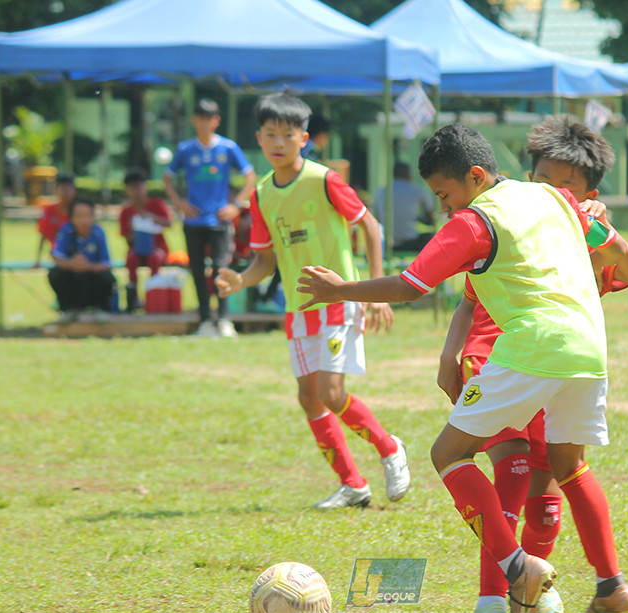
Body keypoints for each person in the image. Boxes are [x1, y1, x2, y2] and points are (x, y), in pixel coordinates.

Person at [298, 123, 628, 613]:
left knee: (448, 454)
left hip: (532, 348)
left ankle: (519, 570)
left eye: (445, 194)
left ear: (475, 176)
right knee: (570, 465)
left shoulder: (476, 221)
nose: (443, 208)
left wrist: (340, 288)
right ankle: (612, 587)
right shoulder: (550, 196)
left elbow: (411, 285)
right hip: (590, 348)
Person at [448, 115, 628, 613]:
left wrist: (605, 230)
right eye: (541, 181)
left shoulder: (586, 234)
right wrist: (452, 352)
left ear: (590, 194)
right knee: (510, 474)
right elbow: (470, 295)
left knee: (548, 501)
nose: (549, 194)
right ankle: (493, 601)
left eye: (565, 187)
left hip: (558, 368)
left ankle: (539, 590)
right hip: (501, 358)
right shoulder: (509, 218)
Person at [215, 93, 410, 509]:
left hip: (340, 301)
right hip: (298, 311)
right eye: (270, 135)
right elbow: (265, 261)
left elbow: (370, 227)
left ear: (304, 138)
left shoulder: (324, 180)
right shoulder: (262, 193)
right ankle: (353, 483)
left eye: (287, 134)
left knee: (331, 392)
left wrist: (375, 291)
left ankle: (389, 446)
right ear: (259, 139)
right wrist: (240, 281)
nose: (278, 142)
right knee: (308, 397)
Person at [164, 98, 256, 338]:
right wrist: (179, 202)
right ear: (194, 120)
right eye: (200, 119)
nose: (204, 124)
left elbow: (249, 175)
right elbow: (167, 177)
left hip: (220, 220)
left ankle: (224, 320)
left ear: (216, 121)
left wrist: (236, 205)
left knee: (221, 268)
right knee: (196, 270)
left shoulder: (228, 148)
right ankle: (205, 320)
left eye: (209, 119)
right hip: (193, 220)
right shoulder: (186, 149)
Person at [48, 197, 116, 322]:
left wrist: (88, 266)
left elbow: (106, 264)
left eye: (87, 216)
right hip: (73, 281)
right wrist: (71, 264)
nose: (83, 221)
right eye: (79, 216)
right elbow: (57, 257)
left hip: (92, 281)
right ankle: (69, 309)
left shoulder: (98, 232)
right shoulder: (66, 230)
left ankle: (100, 309)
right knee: (55, 273)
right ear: (72, 218)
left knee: (107, 278)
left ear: (93, 217)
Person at [118, 168, 171, 312]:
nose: (137, 191)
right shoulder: (126, 212)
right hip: (137, 249)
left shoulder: (156, 204)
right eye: (132, 188)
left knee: (154, 258)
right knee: (131, 259)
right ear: (127, 191)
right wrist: (133, 230)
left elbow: (168, 223)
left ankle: (153, 297)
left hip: (157, 248)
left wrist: (151, 218)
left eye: (139, 187)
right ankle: (133, 298)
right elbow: (126, 238)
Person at [373, 162, 436, 253]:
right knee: (433, 237)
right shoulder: (417, 190)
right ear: (408, 174)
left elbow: (377, 218)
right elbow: (431, 217)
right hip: (410, 242)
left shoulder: (381, 191)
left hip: (387, 242)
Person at [35, 174, 76, 267]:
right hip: (58, 256)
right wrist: (38, 259)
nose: (66, 193)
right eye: (63, 189)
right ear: (56, 191)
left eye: (69, 189)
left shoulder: (79, 210)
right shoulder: (49, 211)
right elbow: (43, 235)